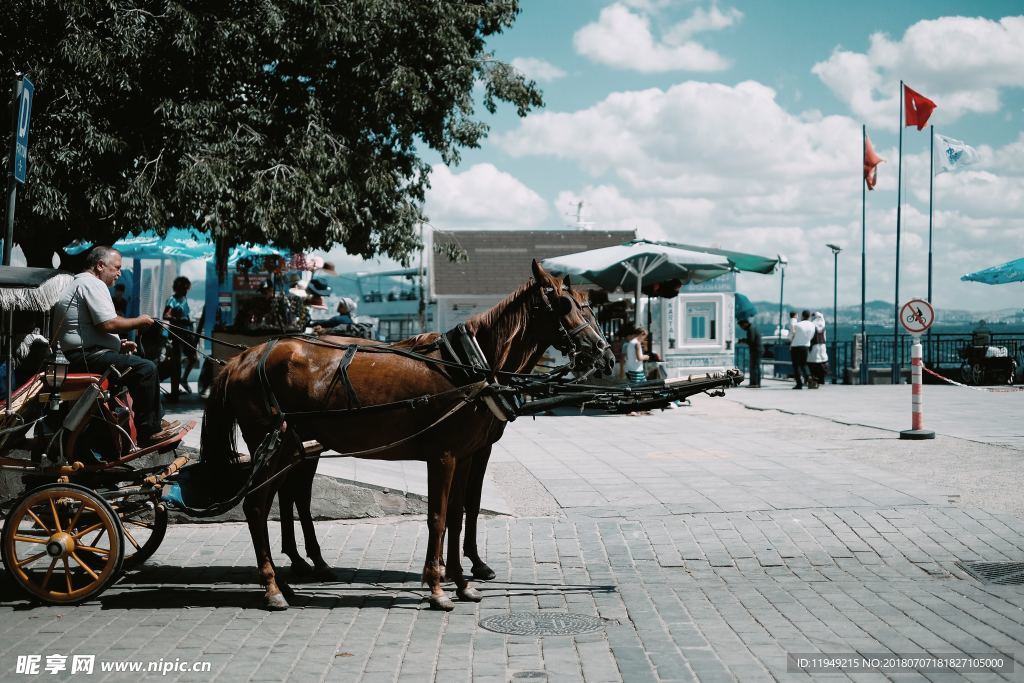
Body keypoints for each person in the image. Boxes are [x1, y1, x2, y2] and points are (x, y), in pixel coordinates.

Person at [51, 246, 174, 445]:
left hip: (82, 354)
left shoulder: (81, 283)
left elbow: (92, 327)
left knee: (139, 367)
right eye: (116, 268)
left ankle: (143, 425)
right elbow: (108, 323)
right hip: (85, 357)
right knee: (146, 369)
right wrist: (139, 321)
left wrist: (117, 345)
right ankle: (149, 432)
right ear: (100, 265)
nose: (119, 273)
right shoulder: (92, 284)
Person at [162, 276, 198, 400]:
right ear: (179, 288)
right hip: (177, 335)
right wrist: (179, 320)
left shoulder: (184, 298)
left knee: (193, 358)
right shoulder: (172, 299)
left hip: (187, 334)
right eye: (185, 289)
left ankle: (184, 379)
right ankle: (174, 393)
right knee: (176, 365)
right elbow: (165, 315)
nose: (186, 291)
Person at [789, 310, 816, 389]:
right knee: (804, 364)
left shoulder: (798, 325)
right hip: (806, 346)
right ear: (809, 316)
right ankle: (809, 378)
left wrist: (790, 341)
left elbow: (792, 335)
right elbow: (812, 336)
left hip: (795, 346)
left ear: (802, 316)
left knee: (796, 366)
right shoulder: (812, 325)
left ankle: (799, 384)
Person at [737, 319, 762, 388]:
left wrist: (742, 340)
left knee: (754, 367)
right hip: (757, 349)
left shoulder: (750, 329)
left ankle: (755, 383)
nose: (742, 328)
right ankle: (755, 383)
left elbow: (751, 340)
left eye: (741, 326)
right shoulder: (752, 328)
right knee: (755, 366)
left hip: (756, 350)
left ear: (745, 324)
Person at [808, 311, 828, 387]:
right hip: (822, 347)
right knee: (821, 364)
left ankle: (814, 381)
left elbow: (810, 337)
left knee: (813, 365)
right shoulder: (823, 326)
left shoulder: (812, 325)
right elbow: (825, 338)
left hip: (814, 347)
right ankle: (821, 380)